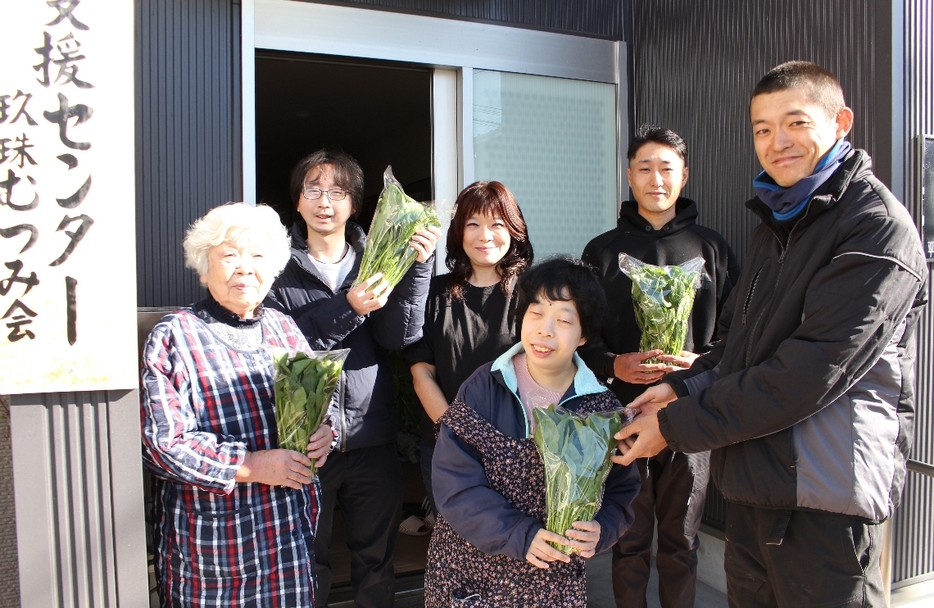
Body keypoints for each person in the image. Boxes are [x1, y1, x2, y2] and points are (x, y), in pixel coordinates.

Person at [616, 61, 928, 608]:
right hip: (754, 483)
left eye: (795, 123)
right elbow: (736, 344)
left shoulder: (874, 227)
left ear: (840, 122)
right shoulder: (777, 223)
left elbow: (807, 374)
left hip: (824, 500)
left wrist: (673, 425)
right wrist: (680, 388)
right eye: (762, 129)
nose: (777, 142)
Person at [264, 148, 441, 607]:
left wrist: (418, 268)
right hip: (307, 446)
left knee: (375, 561)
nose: (325, 202)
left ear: (354, 205)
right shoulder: (273, 267)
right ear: (298, 202)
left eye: (338, 192)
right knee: (309, 562)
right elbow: (281, 347)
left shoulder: (377, 258)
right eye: (314, 190)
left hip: (371, 438)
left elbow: (398, 336)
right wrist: (348, 307)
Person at [141, 202, 335, 607]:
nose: (245, 268)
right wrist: (252, 466)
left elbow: (314, 407)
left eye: (257, 256)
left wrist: (323, 434)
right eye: (229, 255)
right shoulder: (176, 335)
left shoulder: (284, 328)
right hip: (214, 550)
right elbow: (164, 445)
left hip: (287, 539)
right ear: (202, 266)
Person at [580, 125, 740, 608]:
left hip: (692, 419)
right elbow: (579, 340)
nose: (656, 179)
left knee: (681, 540)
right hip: (623, 417)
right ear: (629, 176)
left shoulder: (713, 249)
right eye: (644, 168)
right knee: (627, 538)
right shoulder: (602, 251)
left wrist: (700, 363)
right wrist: (614, 366)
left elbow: (741, 337)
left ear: (684, 176)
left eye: (666, 168)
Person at [423, 257, 642, 607]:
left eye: (563, 320)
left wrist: (602, 529)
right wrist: (519, 535)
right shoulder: (484, 386)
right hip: (470, 575)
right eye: (536, 314)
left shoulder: (601, 410)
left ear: (584, 334)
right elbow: (454, 483)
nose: (545, 330)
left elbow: (622, 491)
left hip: (552, 583)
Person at [402, 180, 534, 535]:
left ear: (514, 229)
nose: (485, 235)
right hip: (449, 448)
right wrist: (460, 432)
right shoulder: (434, 294)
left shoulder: (533, 294)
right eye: (473, 224)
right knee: (459, 548)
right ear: (459, 232)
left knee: (514, 547)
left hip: (518, 448)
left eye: (497, 224)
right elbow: (422, 374)